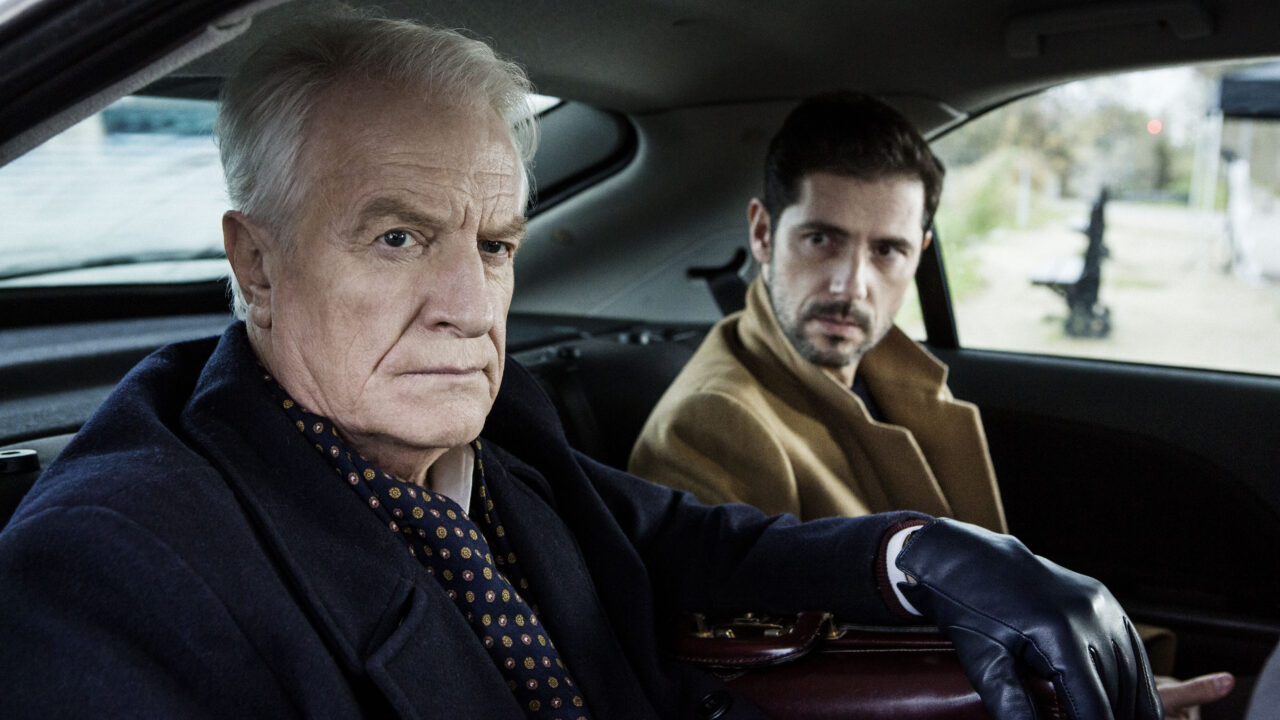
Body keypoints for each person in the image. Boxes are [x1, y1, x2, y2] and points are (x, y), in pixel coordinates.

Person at [0, 15, 1163, 720]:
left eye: (494, 246)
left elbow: (693, 545)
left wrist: (927, 557)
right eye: (398, 238)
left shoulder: (498, 436)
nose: (469, 309)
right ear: (257, 262)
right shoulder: (112, 565)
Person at [629, 91, 1233, 718]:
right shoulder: (709, 423)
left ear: (918, 252)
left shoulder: (893, 377)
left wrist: (1115, 677)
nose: (850, 285)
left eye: (886, 250)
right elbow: (740, 683)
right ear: (763, 232)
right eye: (821, 239)